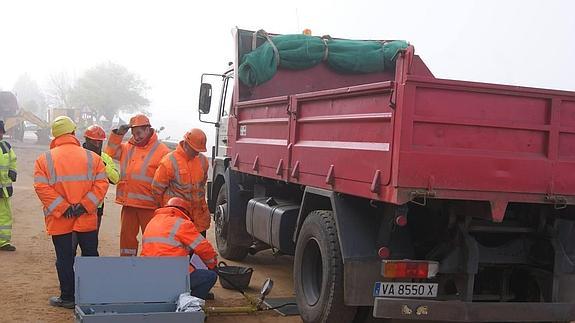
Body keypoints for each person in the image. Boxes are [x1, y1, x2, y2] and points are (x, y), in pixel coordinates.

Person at [33, 116, 109, 309]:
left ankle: (68, 297)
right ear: (74, 133)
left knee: (65, 258)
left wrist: (63, 208)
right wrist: (85, 205)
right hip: (87, 218)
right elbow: (102, 183)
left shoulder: (44, 159)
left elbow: (42, 187)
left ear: (55, 135)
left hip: (60, 220)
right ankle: (92, 294)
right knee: (90, 254)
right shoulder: (93, 158)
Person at [105, 114, 170, 256]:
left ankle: (150, 266)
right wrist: (118, 134)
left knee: (152, 239)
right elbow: (110, 152)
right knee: (127, 239)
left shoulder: (162, 151)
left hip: (150, 206)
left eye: (139, 133)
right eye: (134, 134)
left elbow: (166, 180)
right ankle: (127, 265)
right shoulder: (128, 147)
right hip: (129, 204)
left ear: (148, 129)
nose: (137, 137)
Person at [141, 197, 217, 300]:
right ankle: (191, 303)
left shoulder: (153, 221)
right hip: (172, 274)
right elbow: (203, 248)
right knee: (210, 276)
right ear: (185, 211)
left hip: (148, 273)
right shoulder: (182, 223)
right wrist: (212, 264)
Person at [152, 128, 210, 236]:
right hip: (177, 219)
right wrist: (166, 210)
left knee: (198, 250)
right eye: (194, 150)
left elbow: (202, 185)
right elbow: (156, 190)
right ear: (186, 144)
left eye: (199, 151)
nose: (196, 153)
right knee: (177, 251)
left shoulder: (203, 161)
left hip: (198, 220)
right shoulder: (169, 161)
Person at [82, 125, 119, 230]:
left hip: (97, 205)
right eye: (94, 141)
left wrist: (103, 166)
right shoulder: (78, 155)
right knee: (73, 239)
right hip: (77, 203)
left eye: (100, 141)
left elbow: (115, 179)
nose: (97, 144)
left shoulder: (105, 158)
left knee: (92, 240)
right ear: (87, 140)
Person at [0, 120, 17, 251]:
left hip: (4, 190)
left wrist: (12, 171)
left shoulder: (6, 146)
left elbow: (12, 160)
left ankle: (3, 242)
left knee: (5, 216)